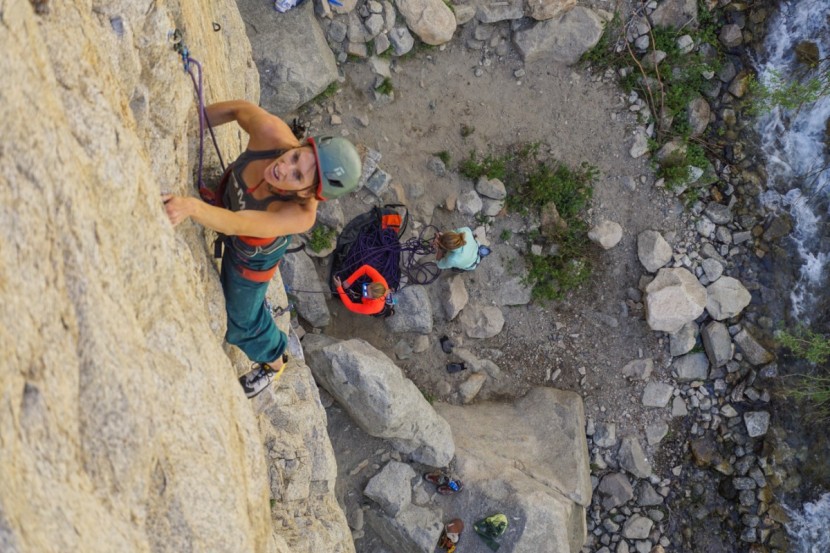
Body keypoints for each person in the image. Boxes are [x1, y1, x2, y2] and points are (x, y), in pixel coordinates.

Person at [163, 100, 361, 398]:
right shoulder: (271, 134)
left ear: (309, 193)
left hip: (250, 258)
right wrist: (190, 122)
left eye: (298, 175)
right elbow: (238, 110)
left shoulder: (300, 215)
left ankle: (274, 358)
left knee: (240, 322)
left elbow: (235, 224)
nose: (284, 168)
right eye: (295, 157)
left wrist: (190, 207)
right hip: (228, 210)